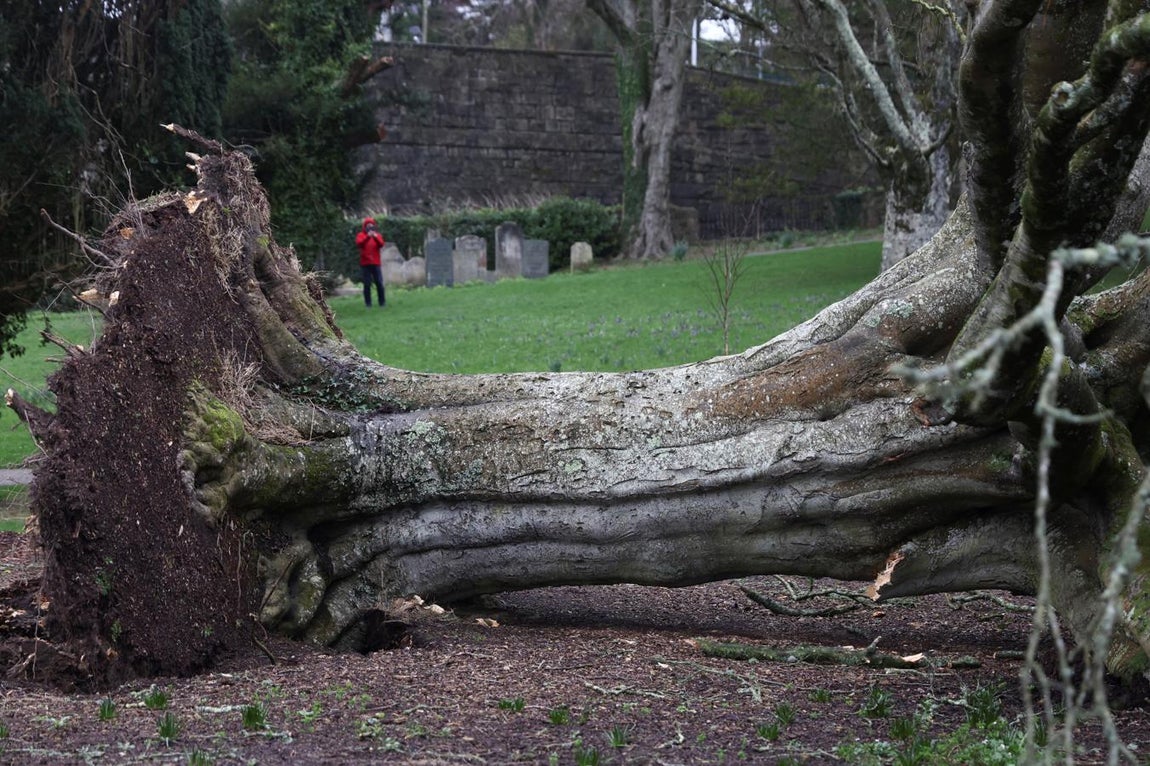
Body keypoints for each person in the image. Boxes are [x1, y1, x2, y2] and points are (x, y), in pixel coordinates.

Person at [355, 217, 387, 307]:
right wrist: (367, 237)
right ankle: (368, 303)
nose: (370, 228)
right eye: (368, 226)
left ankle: (382, 302)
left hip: (376, 263)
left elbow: (381, 244)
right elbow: (359, 243)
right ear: (365, 227)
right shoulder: (361, 235)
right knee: (367, 284)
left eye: (371, 226)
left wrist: (375, 237)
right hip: (365, 263)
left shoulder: (377, 235)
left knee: (379, 283)